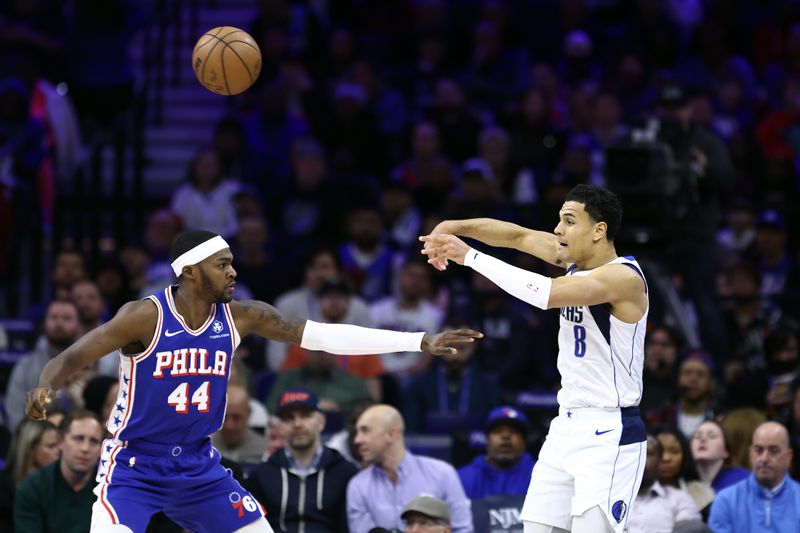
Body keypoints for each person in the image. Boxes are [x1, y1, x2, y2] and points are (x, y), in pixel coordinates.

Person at [24, 230, 481, 533]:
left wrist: (419, 340)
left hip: (199, 466)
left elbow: (323, 336)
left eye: (231, 263)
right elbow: (74, 353)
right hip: (135, 465)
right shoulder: (145, 316)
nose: (233, 272)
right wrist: (46, 383)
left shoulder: (241, 316)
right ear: (189, 273)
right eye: (221, 265)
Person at [420, 184, 648, 532]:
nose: (558, 230)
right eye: (559, 220)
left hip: (609, 429)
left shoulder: (624, 278)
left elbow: (547, 294)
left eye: (569, 221)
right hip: (566, 424)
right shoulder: (570, 258)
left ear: (599, 230)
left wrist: (469, 256)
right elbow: (516, 235)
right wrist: (452, 226)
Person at [245, 387, 358, 532]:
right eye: (289, 418)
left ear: (321, 422)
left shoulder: (345, 473)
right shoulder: (261, 475)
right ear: (280, 426)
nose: (297, 424)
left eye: (305, 415)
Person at [347, 404, 474, 532]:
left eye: (365, 431)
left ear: (391, 434)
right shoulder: (358, 486)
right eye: (356, 432)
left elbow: (463, 529)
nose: (357, 440)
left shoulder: (442, 473)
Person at [14, 410, 104, 533]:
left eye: (94, 441)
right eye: (78, 438)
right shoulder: (33, 487)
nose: (85, 448)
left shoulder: (110, 489)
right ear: (61, 442)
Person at [708, 421, 800, 532]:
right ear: (751, 454)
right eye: (758, 450)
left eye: (773, 451)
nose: (764, 458)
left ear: (788, 457)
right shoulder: (726, 500)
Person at [626, 435, 701, 533]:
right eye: (634, 453)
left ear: (660, 461)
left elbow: (692, 530)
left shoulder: (680, 499)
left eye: (648, 453)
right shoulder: (607, 499)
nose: (640, 458)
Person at [457, 406, 536, 499]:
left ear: (524, 440)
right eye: (497, 431)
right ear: (487, 439)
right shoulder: (463, 477)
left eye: (514, 431)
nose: (505, 436)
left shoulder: (541, 475)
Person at [690, 420, 749, 493]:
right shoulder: (682, 482)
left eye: (712, 436)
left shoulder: (741, 479)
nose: (703, 439)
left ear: (726, 451)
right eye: (697, 436)